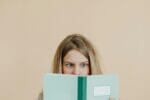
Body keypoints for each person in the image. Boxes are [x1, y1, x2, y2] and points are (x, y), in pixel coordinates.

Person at [38, 33, 114, 100]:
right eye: (69, 65)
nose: (76, 72)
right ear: (60, 66)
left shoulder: (106, 96)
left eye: (83, 65)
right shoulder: (45, 97)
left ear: (92, 66)